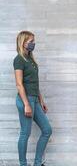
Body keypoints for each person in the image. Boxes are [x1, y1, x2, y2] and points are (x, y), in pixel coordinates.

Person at [14, 30, 52, 166]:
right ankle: (23, 164)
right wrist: (26, 104)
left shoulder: (31, 59)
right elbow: (19, 84)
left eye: (33, 41)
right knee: (25, 133)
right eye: (31, 42)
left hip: (34, 99)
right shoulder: (19, 59)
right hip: (25, 100)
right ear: (23, 43)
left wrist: (41, 100)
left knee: (47, 130)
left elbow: (34, 82)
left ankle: (37, 163)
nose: (33, 44)